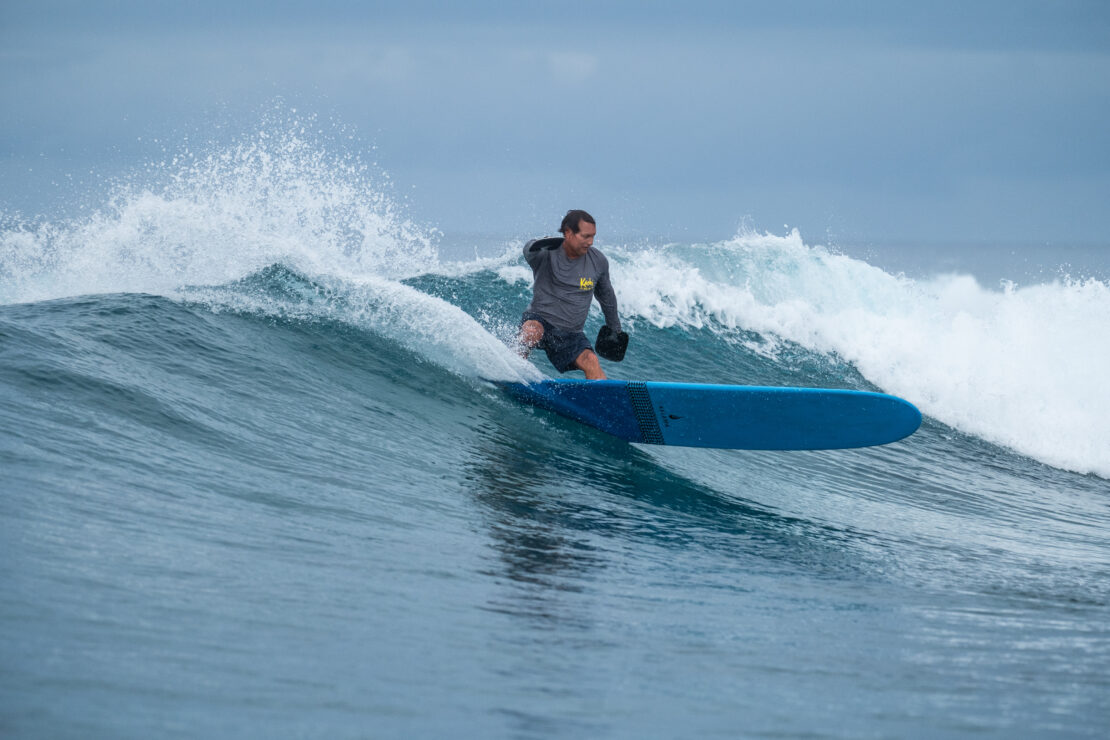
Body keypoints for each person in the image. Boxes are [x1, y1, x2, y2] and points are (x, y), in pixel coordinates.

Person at [518, 209, 622, 380]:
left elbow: (607, 297)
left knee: (591, 360)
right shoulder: (547, 254)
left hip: (570, 333)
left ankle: (602, 403)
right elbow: (528, 251)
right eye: (585, 236)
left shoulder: (598, 261)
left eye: (593, 236)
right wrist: (539, 242)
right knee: (531, 331)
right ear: (568, 232)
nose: (590, 242)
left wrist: (615, 328)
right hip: (540, 320)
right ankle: (510, 372)